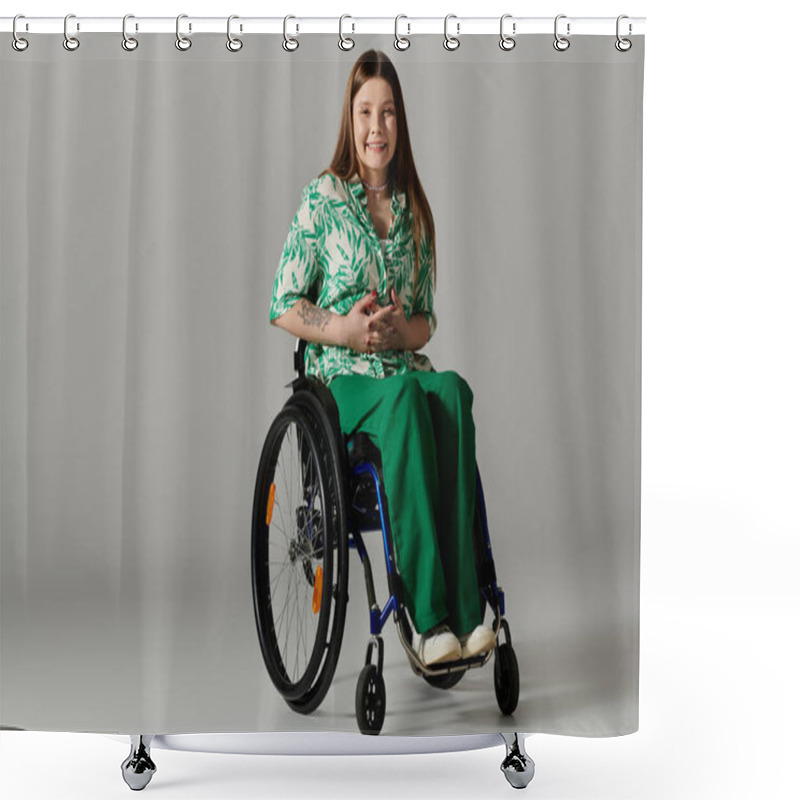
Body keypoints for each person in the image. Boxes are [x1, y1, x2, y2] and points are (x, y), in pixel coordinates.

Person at [270, 49, 495, 667]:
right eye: (366, 111)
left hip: (399, 371)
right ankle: (429, 620)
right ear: (350, 118)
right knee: (402, 400)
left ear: (401, 122)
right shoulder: (323, 199)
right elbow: (282, 302)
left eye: (389, 113)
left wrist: (400, 335)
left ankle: (470, 614)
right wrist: (344, 327)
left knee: (450, 390)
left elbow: (424, 322)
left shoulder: (413, 213)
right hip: (340, 384)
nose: (377, 127)